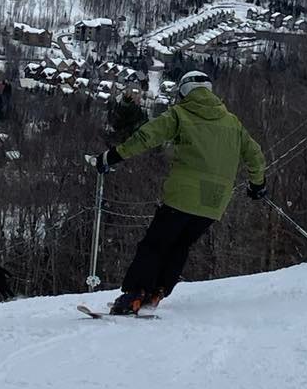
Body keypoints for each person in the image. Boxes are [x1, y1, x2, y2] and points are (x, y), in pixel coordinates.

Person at [90, 71, 267, 314]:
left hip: (184, 195)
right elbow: (254, 154)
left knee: (155, 244)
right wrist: (257, 185)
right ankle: (157, 292)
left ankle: (135, 294)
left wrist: (111, 157)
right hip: (215, 202)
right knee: (180, 245)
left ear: (183, 91)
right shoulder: (232, 122)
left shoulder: (179, 115)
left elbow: (146, 136)